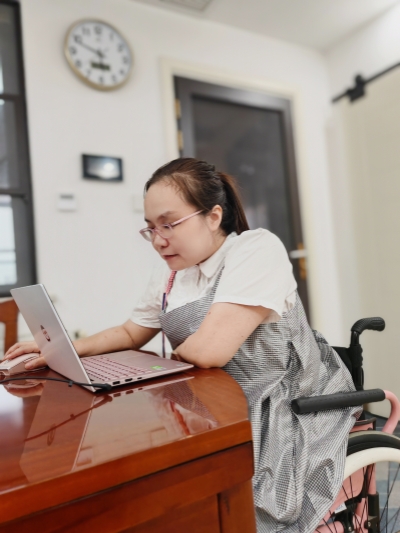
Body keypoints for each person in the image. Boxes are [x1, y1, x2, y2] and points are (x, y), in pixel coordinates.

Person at [5, 158, 359, 533]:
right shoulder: (171, 271)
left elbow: (209, 352)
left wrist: (163, 360)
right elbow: (131, 332)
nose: (158, 240)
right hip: (211, 401)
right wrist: (61, 349)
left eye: (169, 224)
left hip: (278, 404)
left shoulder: (256, 249)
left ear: (213, 216)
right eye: (150, 228)